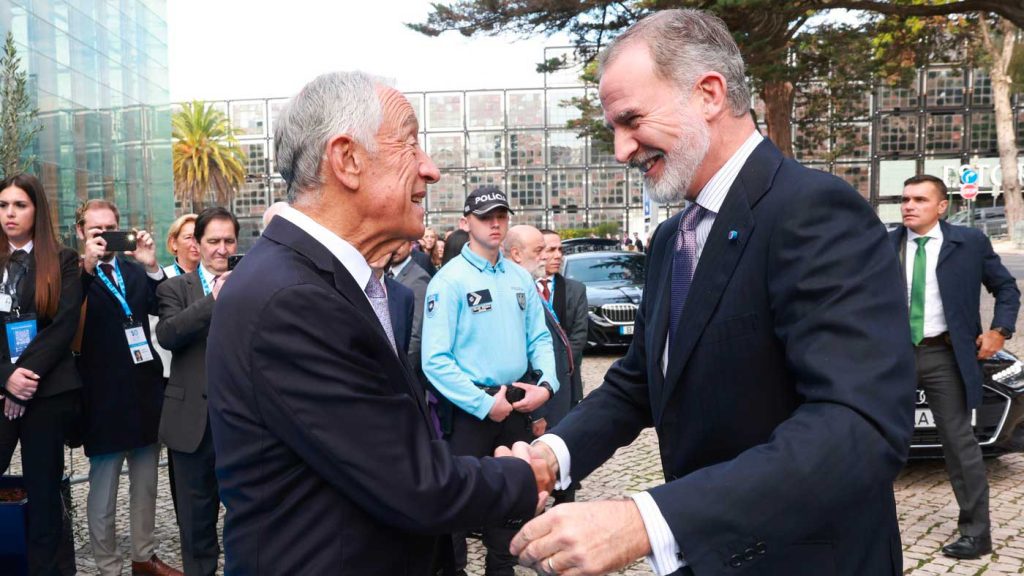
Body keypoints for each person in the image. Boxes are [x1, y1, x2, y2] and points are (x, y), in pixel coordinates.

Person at [513, 10, 916, 576]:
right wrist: (549, 458)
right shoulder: (672, 237)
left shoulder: (812, 211)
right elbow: (639, 384)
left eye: (631, 120)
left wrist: (645, 521)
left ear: (708, 94)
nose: (621, 149)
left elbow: (857, 426)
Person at [206, 71, 551, 575]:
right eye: (410, 143)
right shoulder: (294, 299)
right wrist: (524, 475)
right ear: (347, 160)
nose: (430, 170)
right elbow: (412, 484)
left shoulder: (322, 281)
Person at [422, 187, 559, 576]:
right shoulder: (448, 281)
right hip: (470, 409)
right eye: (485, 217)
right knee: (456, 511)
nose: (496, 223)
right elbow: (434, 360)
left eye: (501, 215)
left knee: (513, 508)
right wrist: (483, 404)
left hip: (515, 403)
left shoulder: (519, 277)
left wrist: (546, 386)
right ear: (466, 223)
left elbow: (540, 338)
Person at [890, 174, 1020, 560]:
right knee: (875, 440)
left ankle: (977, 534)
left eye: (920, 200)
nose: (909, 206)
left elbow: (1007, 288)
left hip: (944, 355)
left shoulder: (970, 243)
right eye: (905, 199)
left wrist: (1000, 330)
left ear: (942, 206)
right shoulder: (884, 245)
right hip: (892, 356)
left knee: (960, 444)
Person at [76, 199, 181, 576]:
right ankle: (107, 565)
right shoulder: (74, 274)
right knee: (102, 494)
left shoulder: (133, 271)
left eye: (110, 229)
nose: (103, 237)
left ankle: (143, 557)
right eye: (95, 231)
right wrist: (87, 266)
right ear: (81, 234)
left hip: (143, 393)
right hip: (101, 398)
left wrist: (153, 264)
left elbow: (164, 305)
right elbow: (68, 310)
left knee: (146, 487)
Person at [0, 174, 82, 576]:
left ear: (38, 210)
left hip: (47, 393)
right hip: (1, 390)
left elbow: (63, 327)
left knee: (44, 495)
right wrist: (6, 379)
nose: (10, 214)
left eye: (20, 205)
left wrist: (24, 379)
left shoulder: (63, 260)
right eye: (3, 206)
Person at [156, 207, 240, 575]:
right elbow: (169, 334)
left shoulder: (252, 282)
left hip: (241, 422)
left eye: (229, 241)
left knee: (246, 519)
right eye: (214, 241)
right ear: (198, 244)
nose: (222, 249)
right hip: (191, 425)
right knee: (195, 525)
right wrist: (214, 300)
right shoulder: (175, 287)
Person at [502, 225, 571, 442]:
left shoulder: (528, 286)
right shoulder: (509, 291)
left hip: (551, 396)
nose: (546, 257)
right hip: (537, 405)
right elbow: (520, 354)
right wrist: (537, 413)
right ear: (516, 254)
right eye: (539, 250)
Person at [537, 229, 588, 503]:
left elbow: (579, 335)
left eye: (559, 250)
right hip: (535, 386)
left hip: (567, 381)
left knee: (566, 440)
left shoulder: (575, 290)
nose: (556, 256)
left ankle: (565, 496)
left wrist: (558, 369)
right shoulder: (523, 289)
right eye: (549, 250)